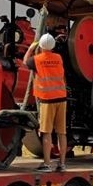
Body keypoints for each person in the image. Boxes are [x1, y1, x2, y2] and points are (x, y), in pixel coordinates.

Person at [23, 33, 68, 172]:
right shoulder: (59, 58)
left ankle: (47, 164)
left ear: (40, 46)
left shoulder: (37, 59)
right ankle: (62, 164)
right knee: (62, 133)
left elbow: (25, 62)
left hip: (47, 100)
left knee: (47, 133)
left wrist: (30, 48)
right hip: (61, 99)